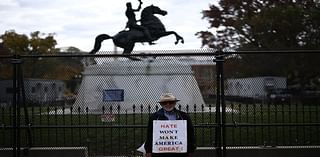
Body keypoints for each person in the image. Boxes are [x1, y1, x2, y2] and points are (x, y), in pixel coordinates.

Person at [144, 93, 196, 157]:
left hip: (179, 153)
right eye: (164, 103)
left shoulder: (184, 116)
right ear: (161, 104)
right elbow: (150, 135)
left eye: (170, 102)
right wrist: (148, 151)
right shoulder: (154, 117)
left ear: (175, 103)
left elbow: (190, 134)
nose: (168, 104)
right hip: (160, 153)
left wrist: (190, 150)